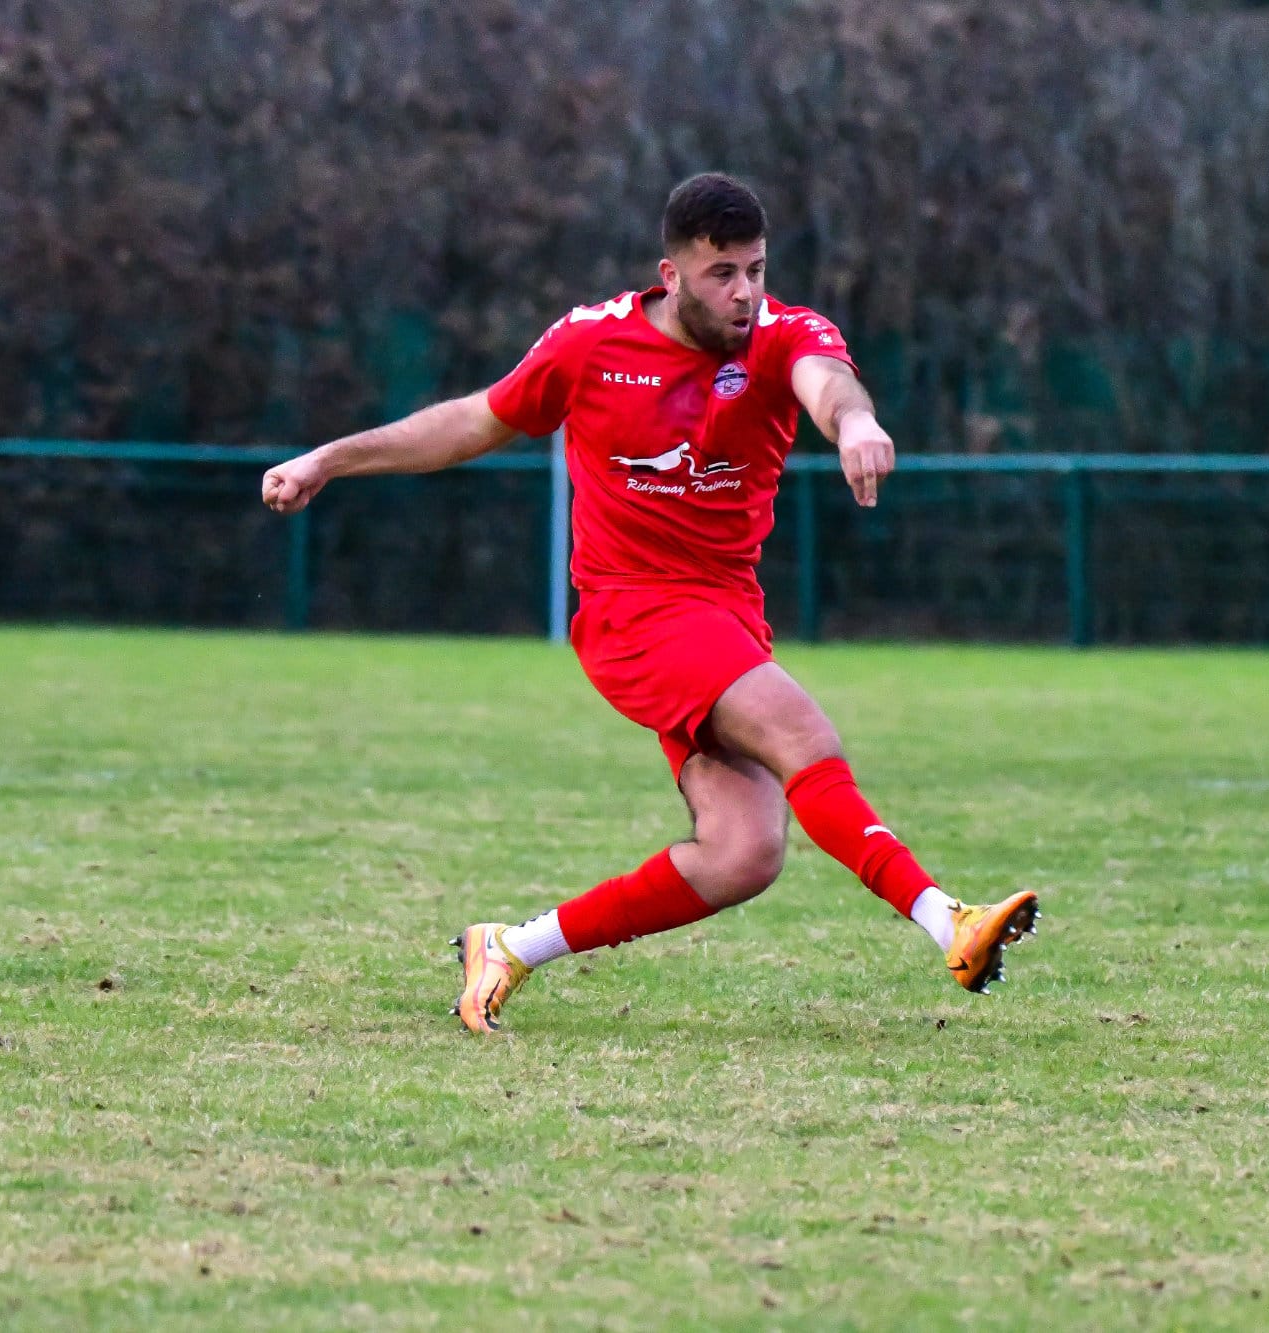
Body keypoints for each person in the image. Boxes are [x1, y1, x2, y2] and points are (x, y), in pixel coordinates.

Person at [264, 173, 1037, 1033]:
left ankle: (512, 946)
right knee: (802, 736)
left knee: (743, 852)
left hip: (727, 616)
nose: (744, 293)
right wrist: (328, 459)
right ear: (671, 275)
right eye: (722, 273)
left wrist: (854, 423)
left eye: (756, 269)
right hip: (632, 614)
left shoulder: (783, 334)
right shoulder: (591, 343)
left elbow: (828, 382)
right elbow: (473, 421)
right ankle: (948, 922)